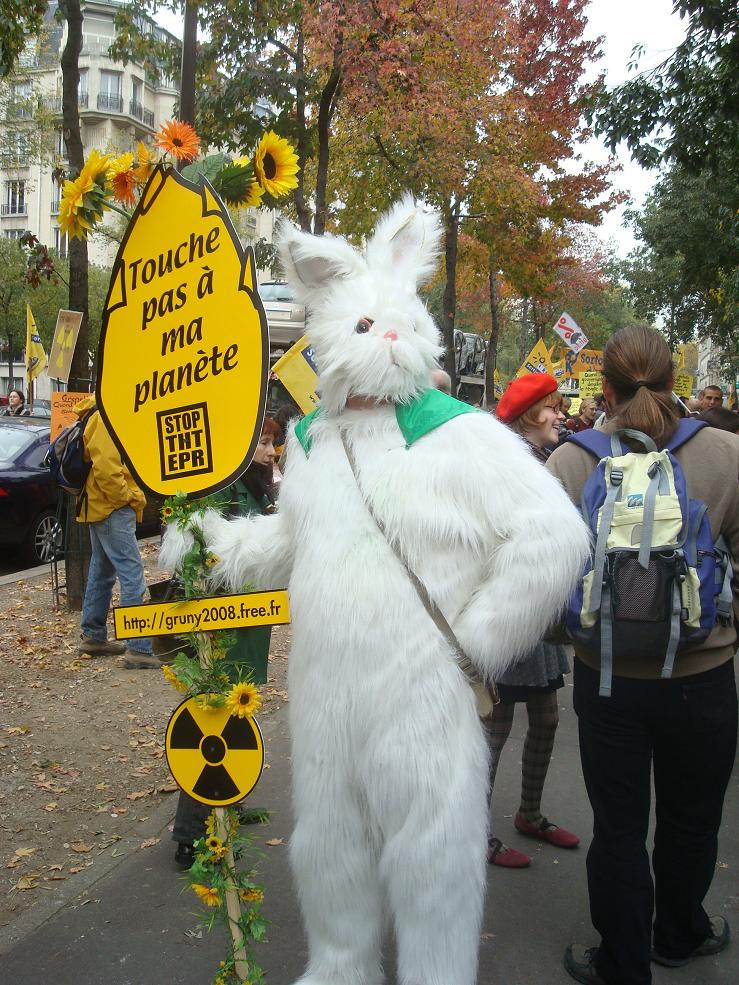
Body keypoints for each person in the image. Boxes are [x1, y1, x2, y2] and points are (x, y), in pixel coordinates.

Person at [547, 326, 738, 985]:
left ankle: (621, 963)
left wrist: (566, 638)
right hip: (703, 673)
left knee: (618, 824)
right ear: (673, 381)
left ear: (603, 387)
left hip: (607, 681)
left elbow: (543, 574)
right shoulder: (726, 454)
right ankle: (678, 933)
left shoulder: (572, 460)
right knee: (691, 816)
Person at [171, 415, 280, 868]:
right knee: (210, 721)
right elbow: (199, 557)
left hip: (248, 622)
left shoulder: (255, 487)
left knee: (234, 712)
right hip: (223, 627)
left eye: (274, 443)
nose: (272, 453)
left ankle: (227, 804)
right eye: (264, 443)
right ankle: (192, 834)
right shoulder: (220, 489)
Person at [484, 373, 580, 867]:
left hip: (538, 618)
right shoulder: (504, 464)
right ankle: (475, 835)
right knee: (494, 730)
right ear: (527, 416)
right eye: (552, 407)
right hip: (505, 614)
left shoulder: (545, 460)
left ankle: (530, 814)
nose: (561, 414)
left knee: (545, 718)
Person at [74, 395, 153, 667]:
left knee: (102, 571)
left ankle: (94, 636)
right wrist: (128, 497)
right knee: (132, 575)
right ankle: (139, 648)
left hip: (101, 506)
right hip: (111, 508)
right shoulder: (106, 415)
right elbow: (108, 470)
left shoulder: (100, 412)